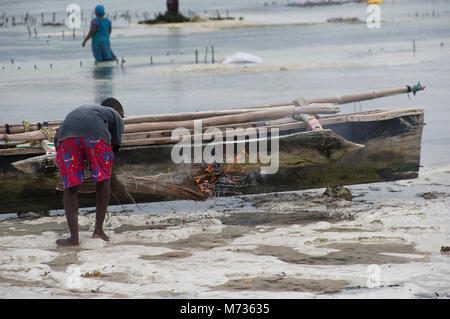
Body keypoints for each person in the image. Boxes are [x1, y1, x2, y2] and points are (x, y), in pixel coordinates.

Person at [54, 98, 126, 246]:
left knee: (70, 187)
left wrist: (68, 166)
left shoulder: (84, 111)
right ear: (117, 110)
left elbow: (56, 138)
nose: (122, 119)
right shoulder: (116, 116)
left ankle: (73, 239)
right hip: (95, 138)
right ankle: (98, 231)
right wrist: (115, 182)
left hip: (66, 138)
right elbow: (109, 156)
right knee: (103, 180)